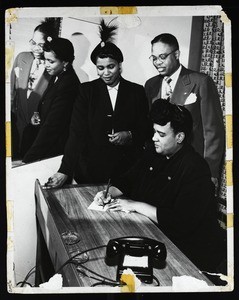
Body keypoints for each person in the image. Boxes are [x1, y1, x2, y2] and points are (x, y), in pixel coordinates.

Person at [94, 99, 226, 279]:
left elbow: (180, 222)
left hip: (191, 256)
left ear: (180, 137)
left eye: (161, 134)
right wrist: (108, 193)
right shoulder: (153, 152)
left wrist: (136, 205)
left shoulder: (195, 168)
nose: (154, 138)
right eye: (154, 132)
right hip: (153, 233)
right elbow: (128, 180)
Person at [46, 19, 149, 186]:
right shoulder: (86, 91)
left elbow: (145, 128)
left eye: (111, 66)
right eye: (101, 68)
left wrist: (130, 135)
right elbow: (76, 133)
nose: (106, 73)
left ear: (120, 66)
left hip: (127, 173)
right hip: (90, 173)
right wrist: (64, 170)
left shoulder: (136, 92)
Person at [144, 33, 225, 193]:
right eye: (154, 58)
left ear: (177, 54)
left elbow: (213, 131)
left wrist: (209, 172)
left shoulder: (200, 81)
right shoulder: (151, 85)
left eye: (162, 57)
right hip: (162, 167)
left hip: (192, 166)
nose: (157, 62)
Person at [22, 37, 80, 163]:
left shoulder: (69, 84)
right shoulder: (57, 75)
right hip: (47, 143)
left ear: (65, 62)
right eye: (45, 60)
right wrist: (37, 113)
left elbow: (53, 126)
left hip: (54, 150)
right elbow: (48, 100)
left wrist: (29, 158)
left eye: (51, 61)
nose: (46, 65)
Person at [11, 19, 59, 159]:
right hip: (17, 123)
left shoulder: (55, 66)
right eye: (33, 42)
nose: (35, 48)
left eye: (41, 45)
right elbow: (11, 91)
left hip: (38, 130)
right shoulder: (21, 58)